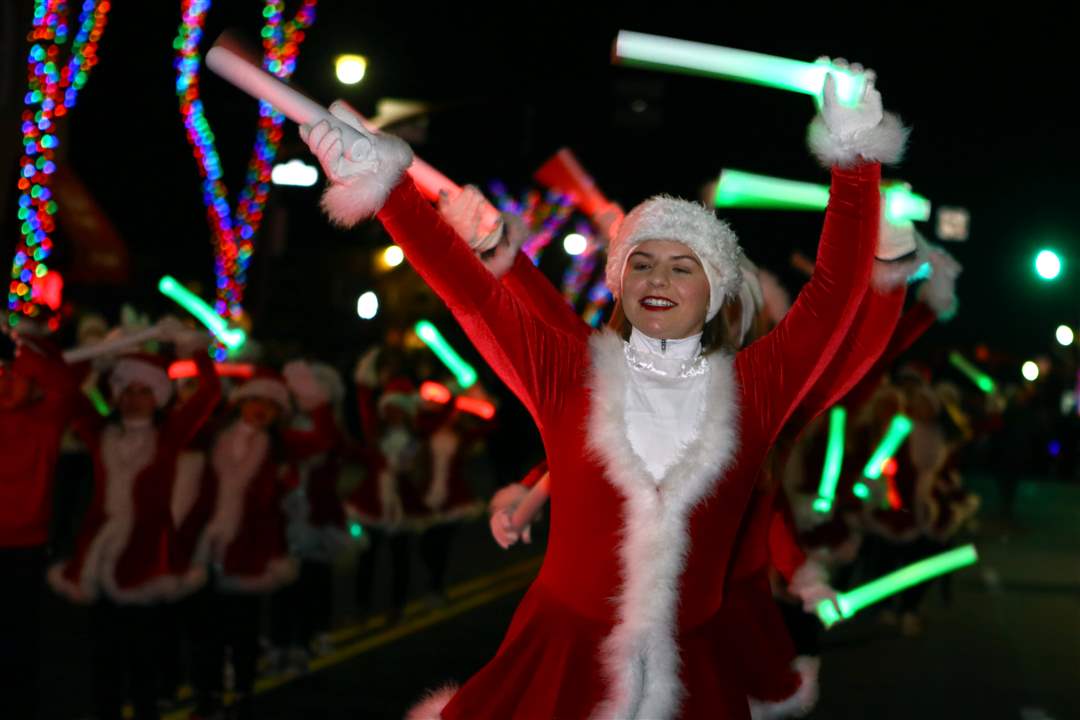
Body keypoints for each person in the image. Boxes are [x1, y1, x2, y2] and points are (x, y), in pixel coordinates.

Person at [302, 62, 905, 719]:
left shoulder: (754, 389)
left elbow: (833, 295)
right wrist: (389, 192)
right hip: (558, 665)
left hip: (693, 675)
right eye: (641, 262)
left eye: (683, 267)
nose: (658, 278)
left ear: (717, 294)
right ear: (619, 280)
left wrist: (854, 157)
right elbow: (469, 290)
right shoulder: (572, 372)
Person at [0, 326, 86, 719]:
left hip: (23, 546)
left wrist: (26, 344)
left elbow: (63, 378)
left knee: (19, 643)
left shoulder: (45, 420)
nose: (8, 383)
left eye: (16, 377)